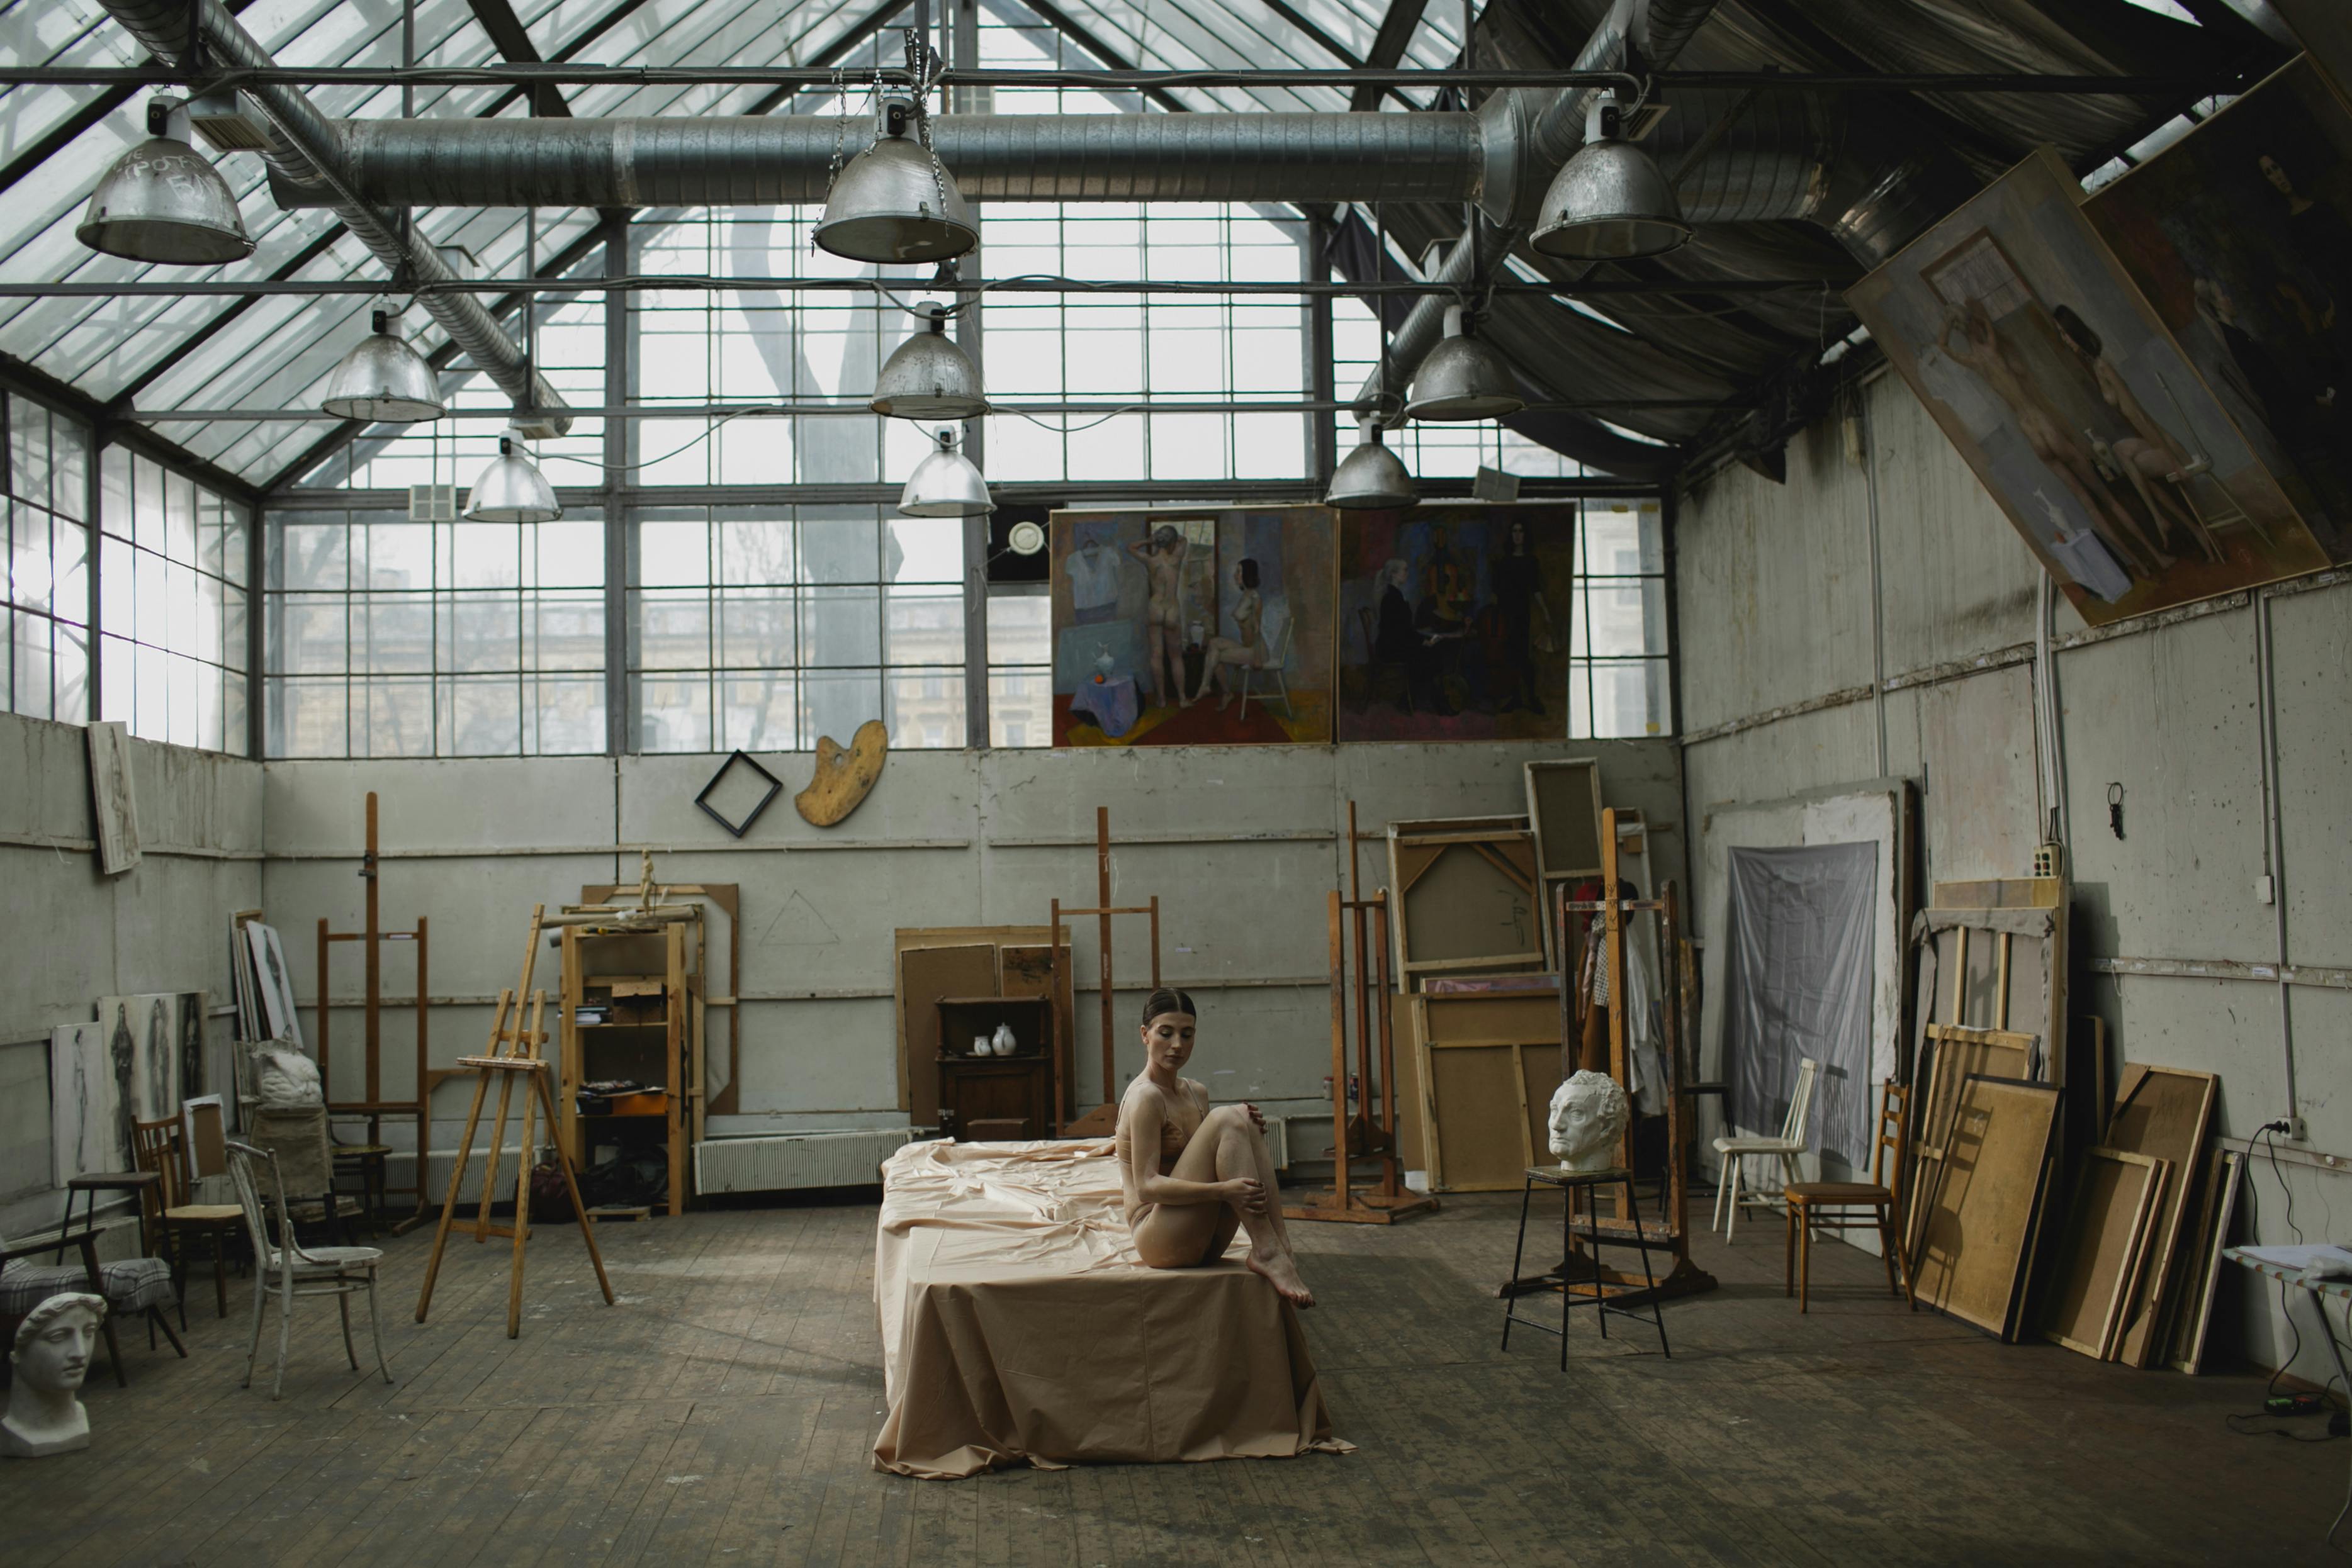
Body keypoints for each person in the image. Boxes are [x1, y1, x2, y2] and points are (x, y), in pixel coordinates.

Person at [1938, 299, 2172, 581]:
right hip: (2044, 425)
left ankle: (2140, 565)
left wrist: (1950, 322)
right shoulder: (1990, 348)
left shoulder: (1974, 361)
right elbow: (1987, 325)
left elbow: (1943, 346)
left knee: (2088, 504)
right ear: (1973, 326)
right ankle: (2157, 557)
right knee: (2107, 499)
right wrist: (1976, 314)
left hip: (2030, 433)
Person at [1115, 988, 1314, 1308]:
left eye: (1187, 1034)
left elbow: (1211, 1154)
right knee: (1228, 1116)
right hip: (1158, 1237)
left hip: (1200, 1234)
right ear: (1145, 1035)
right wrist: (1223, 1191)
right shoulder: (1145, 1097)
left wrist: (1246, 1127)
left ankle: (1280, 1246)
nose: (1178, 1045)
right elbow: (1147, 1186)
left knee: (1243, 1117)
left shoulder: (1195, 1092)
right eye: (1166, 1033)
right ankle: (1265, 1249)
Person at [2049, 305, 2218, 562]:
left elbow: (2139, 416)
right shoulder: (2096, 366)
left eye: (2065, 332)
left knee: (2132, 466)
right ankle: (2173, 523)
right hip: (2154, 442)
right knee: (2120, 452)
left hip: (2163, 444)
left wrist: (2173, 461)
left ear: (2076, 331)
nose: (2064, 339)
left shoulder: (2103, 366)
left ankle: (2169, 521)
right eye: (2060, 334)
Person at [1490, 517, 1558, 714]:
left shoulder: (1531, 561)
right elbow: (1496, 591)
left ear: (1525, 535)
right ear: (1510, 536)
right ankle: (1516, 698)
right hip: (1505, 613)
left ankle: (1532, 697)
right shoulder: (1503, 561)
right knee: (1509, 656)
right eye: (1514, 531)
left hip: (1521, 613)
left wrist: (1546, 613)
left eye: (1521, 531)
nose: (1517, 535)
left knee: (1523, 656)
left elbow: (1536, 589)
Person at [1191, 558, 1271, 708]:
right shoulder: (1246, 595)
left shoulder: (1254, 597)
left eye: (1239, 572)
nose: (1236, 575)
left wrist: (1258, 659)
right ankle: (1206, 685)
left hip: (1256, 651)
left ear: (1247, 574)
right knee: (1214, 643)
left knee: (1215, 658)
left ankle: (1224, 692)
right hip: (1246, 647)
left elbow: (1257, 628)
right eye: (1236, 571)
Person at [1126, 524, 1190, 710]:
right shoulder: (1177, 558)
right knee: (1176, 657)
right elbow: (1183, 539)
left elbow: (1130, 547)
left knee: (1156, 656)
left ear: (1158, 541)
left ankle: (1161, 699)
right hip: (1172, 608)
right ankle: (1183, 698)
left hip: (1155, 607)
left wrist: (1150, 540)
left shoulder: (1150, 561)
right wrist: (1170, 538)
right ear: (1171, 542)